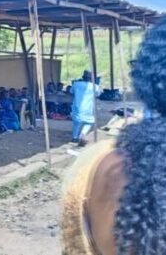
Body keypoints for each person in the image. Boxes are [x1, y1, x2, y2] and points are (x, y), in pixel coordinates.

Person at [61, 19, 166, 255]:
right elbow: (99, 89)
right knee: (85, 124)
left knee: (79, 127)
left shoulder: (78, 86)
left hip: (79, 111)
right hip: (87, 111)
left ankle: (75, 138)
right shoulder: (91, 88)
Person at [70, 71, 101, 146]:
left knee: (76, 123)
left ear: (83, 77)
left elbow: (71, 91)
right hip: (88, 108)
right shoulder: (95, 87)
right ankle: (83, 133)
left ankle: (75, 137)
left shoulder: (76, 84)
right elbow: (98, 94)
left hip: (77, 106)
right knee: (89, 122)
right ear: (91, 79)